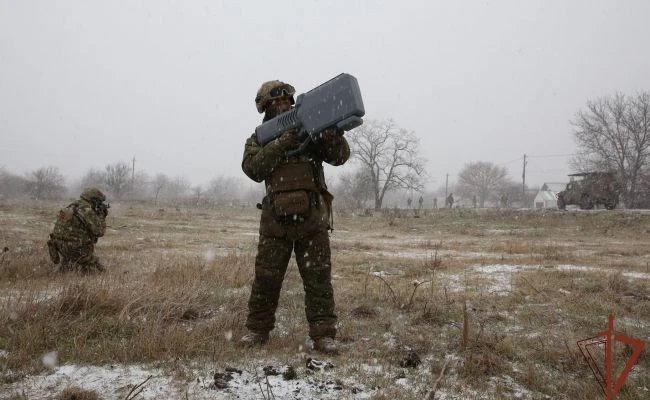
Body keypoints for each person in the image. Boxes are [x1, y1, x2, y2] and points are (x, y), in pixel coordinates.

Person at [239, 80, 350, 354]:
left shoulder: (311, 128)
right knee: (266, 278)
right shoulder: (258, 138)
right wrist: (280, 144)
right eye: (275, 102)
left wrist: (330, 134)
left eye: (286, 101)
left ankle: (323, 335)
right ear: (265, 107)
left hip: (311, 220)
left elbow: (340, 157)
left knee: (318, 279)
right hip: (275, 222)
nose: (282, 105)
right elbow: (253, 169)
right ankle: (257, 330)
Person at [47, 187, 108, 272]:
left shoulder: (72, 206)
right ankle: (80, 264)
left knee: (70, 263)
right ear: (93, 200)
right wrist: (101, 216)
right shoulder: (86, 210)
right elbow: (99, 232)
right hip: (76, 249)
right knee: (101, 272)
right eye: (99, 202)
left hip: (59, 247)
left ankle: (67, 264)